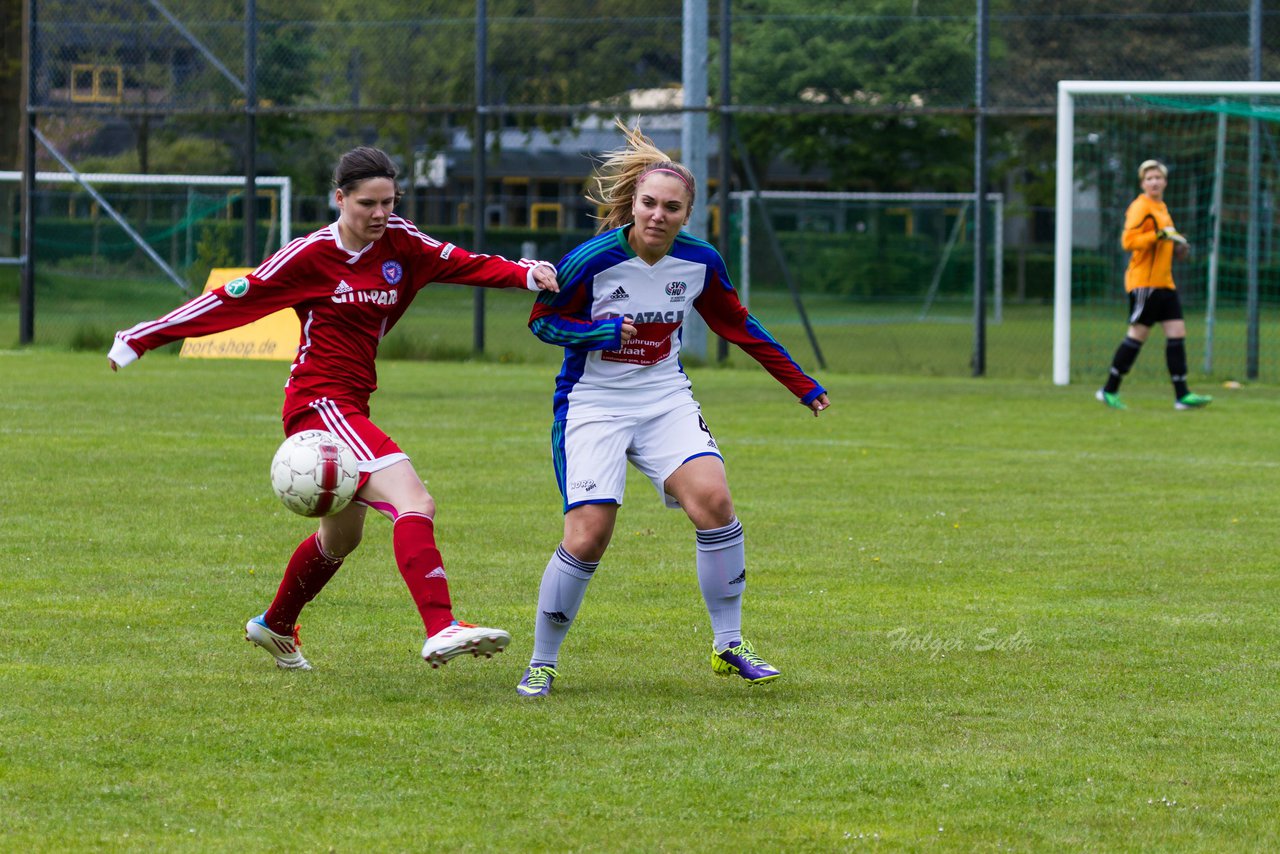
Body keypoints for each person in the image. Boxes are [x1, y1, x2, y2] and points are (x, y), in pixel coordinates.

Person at [108, 146, 560, 671]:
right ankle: (442, 627)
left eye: (389, 202)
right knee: (413, 500)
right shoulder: (310, 255)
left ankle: (275, 625)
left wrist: (524, 273)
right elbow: (236, 297)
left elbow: (459, 261)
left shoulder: (401, 241)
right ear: (339, 198)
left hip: (352, 400)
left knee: (341, 537)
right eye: (367, 203)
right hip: (319, 402)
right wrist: (141, 338)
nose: (379, 214)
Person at [514, 122, 830, 698]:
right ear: (632, 204)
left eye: (672, 207)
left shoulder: (701, 262)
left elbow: (737, 324)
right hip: (594, 402)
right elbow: (543, 321)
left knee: (715, 501)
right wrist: (600, 332)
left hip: (664, 398)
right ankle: (542, 660)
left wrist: (800, 383)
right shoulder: (591, 260)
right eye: (650, 203)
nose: (658, 215)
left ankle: (729, 644)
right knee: (588, 535)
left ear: (688, 214)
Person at [1096, 159, 1212, 411]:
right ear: (1142, 183)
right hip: (1145, 284)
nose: (1154, 182)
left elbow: (1166, 239)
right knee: (1137, 335)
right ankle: (1108, 390)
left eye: (1158, 177)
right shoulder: (1140, 207)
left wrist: (1178, 246)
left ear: (1165, 182)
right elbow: (1128, 241)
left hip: (1164, 283)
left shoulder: (1162, 208)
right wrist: (1157, 236)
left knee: (1177, 333)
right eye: (1149, 178)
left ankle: (1182, 395)